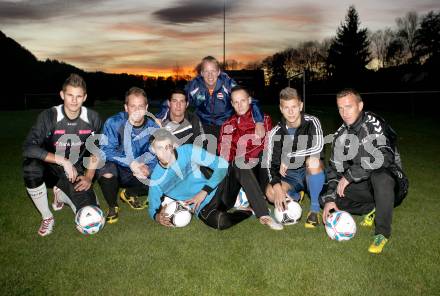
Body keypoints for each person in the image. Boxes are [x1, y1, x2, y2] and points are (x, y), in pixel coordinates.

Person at [321, 89, 408, 254]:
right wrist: (330, 200)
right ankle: (372, 208)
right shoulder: (340, 134)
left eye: (348, 107)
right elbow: (333, 170)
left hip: (393, 182)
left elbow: (384, 157)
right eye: (340, 108)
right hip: (366, 185)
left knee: (380, 175)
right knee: (329, 199)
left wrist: (351, 175)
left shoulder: (373, 122)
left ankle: (382, 233)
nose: (344, 113)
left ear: (360, 105)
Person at [147, 129, 283, 230]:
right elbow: (153, 206)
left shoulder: (187, 151)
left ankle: (263, 214)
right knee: (220, 222)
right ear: (153, 150)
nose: (165, 152)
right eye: (159, 148)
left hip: (218, 191)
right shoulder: (157, 178)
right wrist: (157, 217)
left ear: (172, 145)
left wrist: (204, 190)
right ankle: (248, 210)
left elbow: (222, 164)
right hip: (201, 207)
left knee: (239, 162)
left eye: (167, 147)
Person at [22, 73, 103, 236]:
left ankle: (60, 195)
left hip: (76, 172)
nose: (74, 100)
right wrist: (62, 160)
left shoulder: (92, 118)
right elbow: (28, 147)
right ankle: (47, 217)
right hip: (50, 168)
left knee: (88, 212)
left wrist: (88, 176)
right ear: (62, 95)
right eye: (70, 95)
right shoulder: (49, 116)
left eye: (78, 96)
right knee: (31, 166)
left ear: (85, 97)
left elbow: (96, 150)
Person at [157, 56, 266, 148]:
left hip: (225, 124)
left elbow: (249, 100)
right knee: (198, 152)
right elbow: (175, 98)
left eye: (213, 71)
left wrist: (259, 122)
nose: (210, 75)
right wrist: (160, 117)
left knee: (226, 154)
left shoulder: (227, 83)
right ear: (201, 73)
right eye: (206, 72)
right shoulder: (195, 85)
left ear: (218, 72)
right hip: (202, 124)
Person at [265, 87, 325, 229]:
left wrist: (290, 156)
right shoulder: (276, 132)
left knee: (313, 161)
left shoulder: (312, 122)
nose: (291, 112)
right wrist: (277, 186)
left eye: (294, 106)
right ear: (281, 108)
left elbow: (318, 148)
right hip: (290, 176)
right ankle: (294, 195)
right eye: (286, 108)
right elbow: (269, 164)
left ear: (301, 106)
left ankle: (314, 209)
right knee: (270, 193)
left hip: (308, 171)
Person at [97, 87, 159, 224]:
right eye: (132, 106)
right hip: (118, 169)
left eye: (141, 106)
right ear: (126, 107)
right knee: (105, 167)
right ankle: (112, 206)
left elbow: (157, 154)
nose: (137, 111)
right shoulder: (113, 123)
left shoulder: (153, 127)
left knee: (161, 177)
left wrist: (149, 168)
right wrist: (131, 163)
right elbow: (105, 150)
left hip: (139, 171)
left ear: (147, 107)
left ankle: (129, 193)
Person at [218, 85, 272, 193]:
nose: (240, 105)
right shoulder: (227, 125)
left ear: (249, 100)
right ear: (232, 104)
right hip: (239, 172)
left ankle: (266, 191)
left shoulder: (264, 120)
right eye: (236, 102)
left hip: (259, 170)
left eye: (242, 100)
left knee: (264, 155)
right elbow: (224, 155)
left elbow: (268, 147)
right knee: (223, 202)